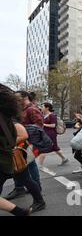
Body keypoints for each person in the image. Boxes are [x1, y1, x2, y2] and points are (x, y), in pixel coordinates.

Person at [0, 84, 33, 216]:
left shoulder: (30, 110)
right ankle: (20, 210)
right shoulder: (7, 116)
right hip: (7, 158)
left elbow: (27, 132)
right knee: (27, 175)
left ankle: (35, 199)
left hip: (9, 157)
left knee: (29, 175)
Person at [5, 91, 43, 201]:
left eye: (17, 97)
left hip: (29, 142)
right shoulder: (21, 109)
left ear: (25, 98)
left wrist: (23, 130)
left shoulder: (32, 109)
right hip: (22, 142)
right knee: (20, 164)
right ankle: (20, 187)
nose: (14, 99)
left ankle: (36, 187)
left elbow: (39, 126)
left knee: (30, 164)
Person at [37, 103, 69, 173]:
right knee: (55, 147)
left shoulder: (52, 115)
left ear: (47, 108)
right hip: (45, 133)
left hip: (50, 134)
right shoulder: (44, 115)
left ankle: (40, 166)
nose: (41, 108)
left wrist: (43, 124)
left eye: (42, 106)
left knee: (43, 149)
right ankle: (64, 158)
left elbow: (53, 125)